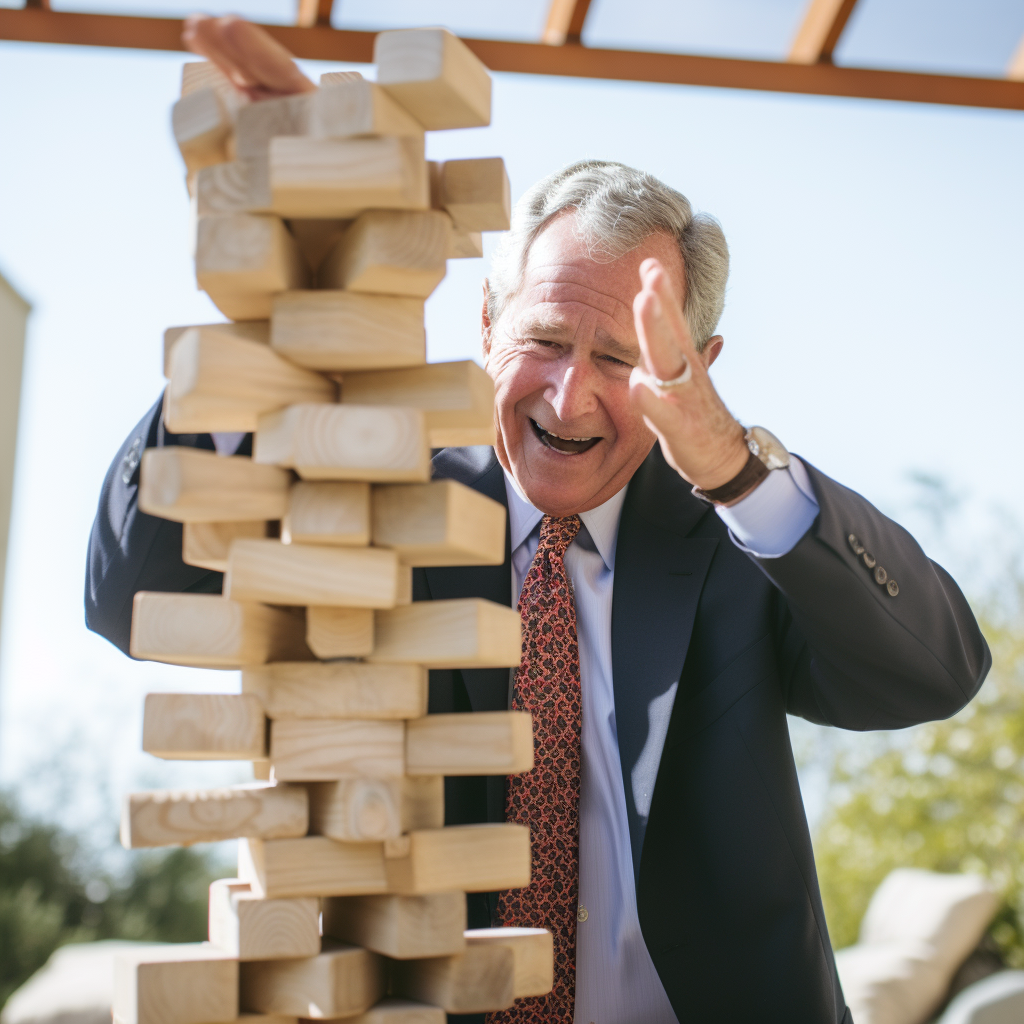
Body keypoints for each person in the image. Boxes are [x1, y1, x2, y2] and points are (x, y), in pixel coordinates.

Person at [85, 18, 990, 1024]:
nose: (568, 398)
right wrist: (276, 297)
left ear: (699, 365)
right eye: (544, 338)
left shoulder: (743, 538)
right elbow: (134, 595)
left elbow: (935, 673)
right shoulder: (373, 509)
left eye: (618, 359)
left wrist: (736, 472)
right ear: (484, 321)